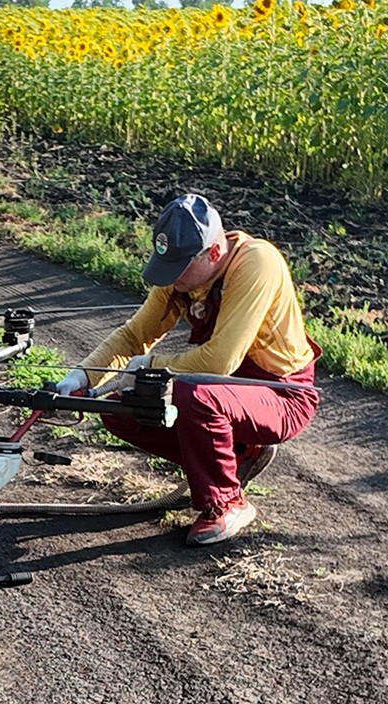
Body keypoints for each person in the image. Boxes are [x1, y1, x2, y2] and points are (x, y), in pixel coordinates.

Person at [55, 194, 321, 546]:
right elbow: (135, 336)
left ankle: (227, 503)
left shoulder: (257, 262)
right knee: (122, 409)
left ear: (214, 252)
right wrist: (80, 377)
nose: (171, 277)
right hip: (227, 390)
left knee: (191, 394)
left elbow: (220, 361)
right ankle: (240, 454)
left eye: (180, 267)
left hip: (283, 394)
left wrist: (152, 366)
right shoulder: (178, 275)